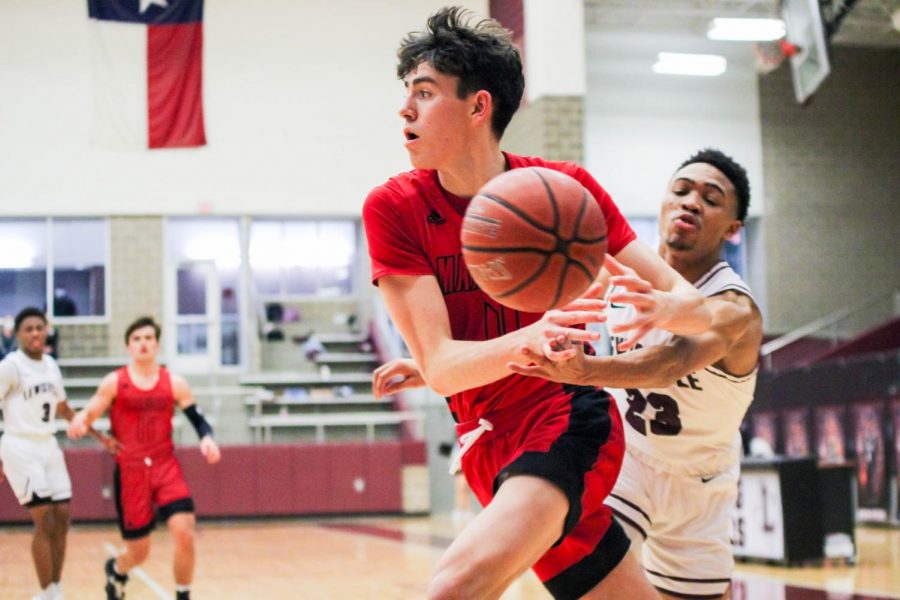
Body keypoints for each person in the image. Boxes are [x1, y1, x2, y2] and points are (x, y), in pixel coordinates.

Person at [364, 8, 711, 599]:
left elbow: (685, 301)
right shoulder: (394, 208)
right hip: (484, 442)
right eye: (407, 94)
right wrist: (441, 363)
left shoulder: (563, 191)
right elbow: (448, 366)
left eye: (424, 93)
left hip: (566, 417)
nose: (405, 109)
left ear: (478, 107)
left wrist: (650, 308)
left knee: (452, 588)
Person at [506, 149, 763, 599]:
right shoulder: (622, 270)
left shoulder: (734, 308)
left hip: (700, 478)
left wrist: (588, 370)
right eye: (680, 191)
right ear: (663, 202)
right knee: (590, 580)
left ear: (733, 229)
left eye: (710, 198)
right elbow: (544, 316)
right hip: (626, 457)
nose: (690, 202)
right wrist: (453, 361)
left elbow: (671, 363)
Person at [68, 316, 221, 600]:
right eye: (137, 339)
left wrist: (207, 438)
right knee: (139, 552)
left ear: (157, 344)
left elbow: (197, 419)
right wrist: (80, 420)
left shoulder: (174, 382)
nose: (143, 343)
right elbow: (91, 410)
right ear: (128, 346)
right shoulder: (115, 381)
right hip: (131, 471)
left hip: (165, 466)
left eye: (149, 338)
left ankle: (183, 595)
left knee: (184, 531)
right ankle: (117, 569)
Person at [0, 307, 117, 600]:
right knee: (45, 518)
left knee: (62, 516)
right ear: (17, 334)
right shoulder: (10, 366)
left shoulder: (51, 365)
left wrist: (99, 436)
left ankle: (56, 588)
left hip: (48, 445)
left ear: (47, 329)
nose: (35, 333)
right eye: (28, 329)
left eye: (40, 327)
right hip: (20, 446)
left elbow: (63, 408)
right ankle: (44, 592)